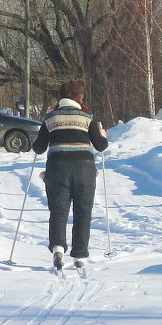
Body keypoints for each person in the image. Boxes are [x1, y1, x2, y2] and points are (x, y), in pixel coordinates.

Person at [31, 80, 108, 269]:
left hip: (57, 169)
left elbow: (38, 148)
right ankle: (80, 256)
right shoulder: (86, 117)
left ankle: (58, 248)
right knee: (83, 212)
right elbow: (101, 145)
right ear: (80, 98)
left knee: (58, 211)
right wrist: (103, 135)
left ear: (61, 97)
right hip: (84, 170)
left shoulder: (51, 118)